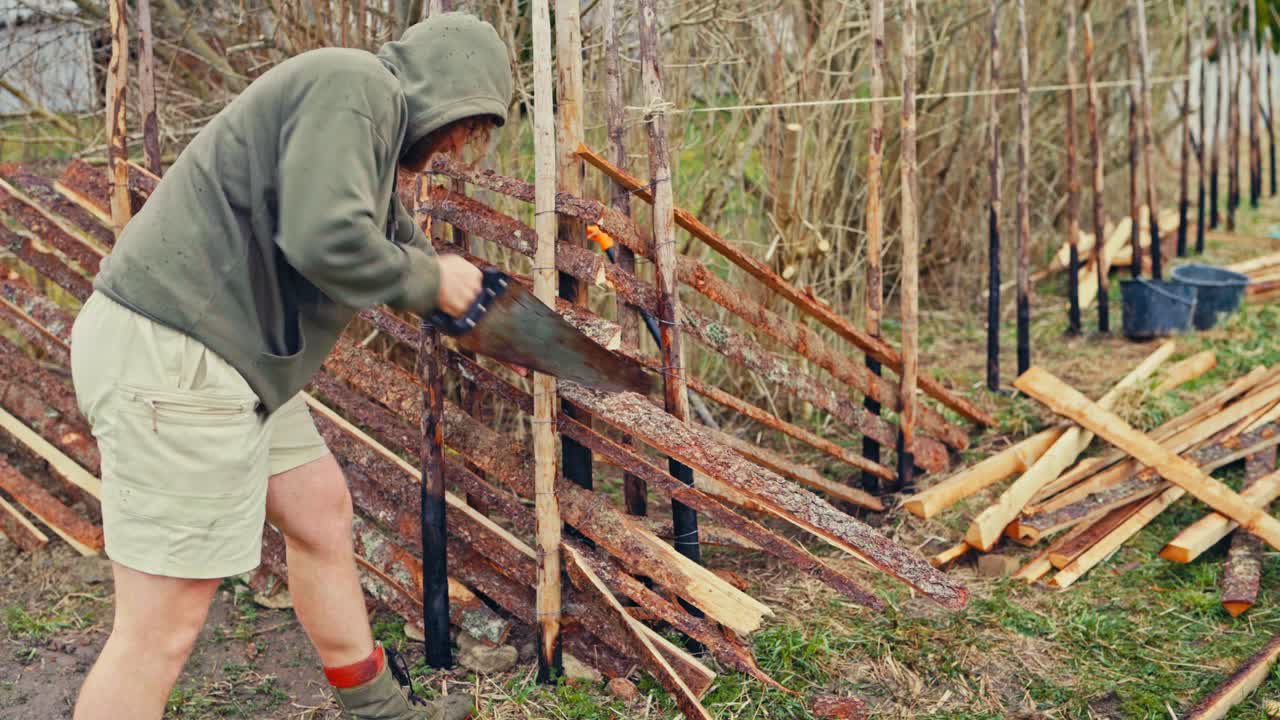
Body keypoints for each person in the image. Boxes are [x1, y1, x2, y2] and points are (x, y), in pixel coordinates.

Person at [68, 12, 512, 720]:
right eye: (466, 124)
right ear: (443, 88)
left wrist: (465, 297)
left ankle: (379, 711)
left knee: (317, 509)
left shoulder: (364, 136)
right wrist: (434, 283)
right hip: (176, 355)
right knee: (163, 626)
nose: (460, 145)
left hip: (232, 362)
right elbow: (324, 238)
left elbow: (395, 244)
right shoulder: (354, 84)